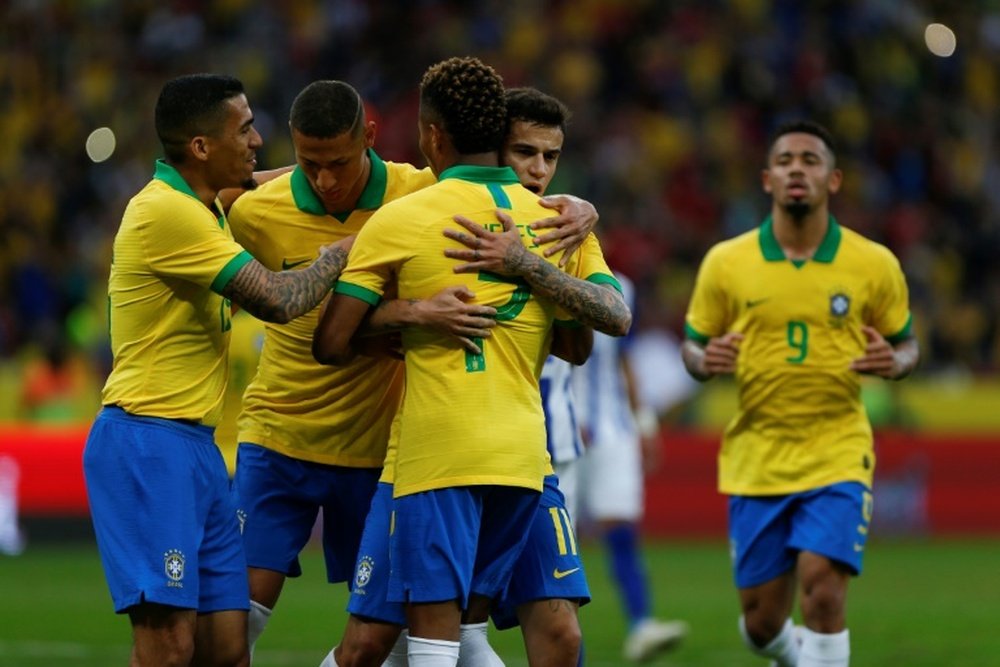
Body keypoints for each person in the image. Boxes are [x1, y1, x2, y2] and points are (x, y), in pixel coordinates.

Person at [224, 80, 597, 665]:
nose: (324, 180)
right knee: (230, 630)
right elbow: (224, 200)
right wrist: (415, 311)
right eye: (308, 164)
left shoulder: (418, 192)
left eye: (339, 163)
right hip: (281, 435)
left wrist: (581, 208)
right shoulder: (251, 213)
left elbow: (504, 178)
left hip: (383, 445)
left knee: (391, 637)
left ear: (371, 140)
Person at [313, 56, 630, 667]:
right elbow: (595, 333)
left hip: (507, 457)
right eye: (526, 153)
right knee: (389, 641)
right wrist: (416, 312)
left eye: (551, 157)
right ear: (495, 139)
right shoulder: (436, 203)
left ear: (434, 134)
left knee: (489, 637)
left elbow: (585, 341)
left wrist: (527, 264)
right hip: (449, 457)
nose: (539, 171)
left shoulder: (554, 223)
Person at [81, 73, 353, 667]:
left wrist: (353, 168)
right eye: (245, 128)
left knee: (226, 646)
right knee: (169, 644)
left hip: (199, 449)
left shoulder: (206, 204)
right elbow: (280, 299)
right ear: (201, 147)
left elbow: (270, 180)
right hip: (148, 441)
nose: (259, 141)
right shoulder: (166, 214)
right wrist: (347, 247)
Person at [680, 120, 919, 667]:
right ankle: (787, 652)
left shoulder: (873, 263)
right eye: (785, 160)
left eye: (810, 160)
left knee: (824, 591)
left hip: (838, 448)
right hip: (757, 454)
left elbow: (909, 346)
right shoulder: (726, 262)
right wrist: (704, 360)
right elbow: (692, 347)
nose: (796, 169)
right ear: (767, 179)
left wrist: (895, 362)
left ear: (833, 180)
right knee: (762, 623)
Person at [571, 269, 690, 662]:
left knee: (620, 525)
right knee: (558, 541)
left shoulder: (623, 286)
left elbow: (625, 358)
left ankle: (641, 626)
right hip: (558, 431)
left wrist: (645, 424)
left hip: (614, 429)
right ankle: (566, 641)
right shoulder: (536, 273)